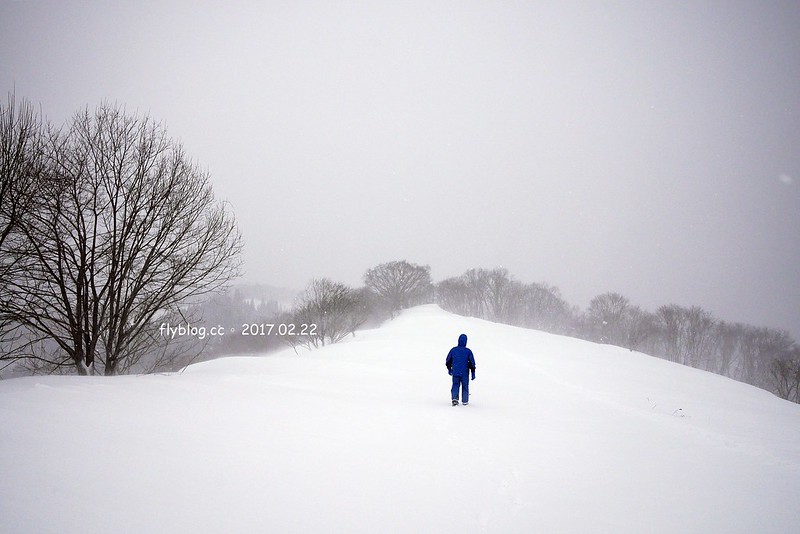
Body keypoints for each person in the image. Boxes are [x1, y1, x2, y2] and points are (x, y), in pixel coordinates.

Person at [446, 333, 476, 406]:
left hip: (455, 372)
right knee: (465, 386)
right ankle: (465, 401)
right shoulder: (468, 351)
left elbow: (448, 360)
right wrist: (473, 373)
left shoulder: (453, 350)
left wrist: (449, 369)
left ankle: (455, 399)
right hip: (465, 373)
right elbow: (472, 363)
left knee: (455, 385)